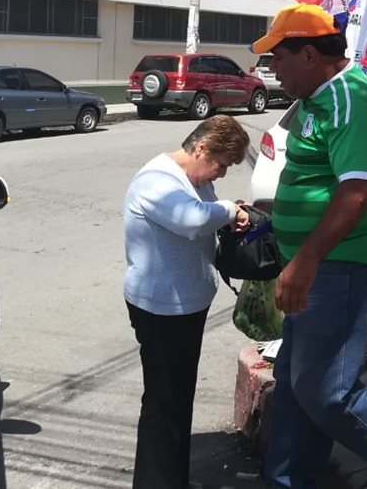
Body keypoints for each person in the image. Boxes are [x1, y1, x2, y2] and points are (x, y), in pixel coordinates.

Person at [254, 3, 367, 489]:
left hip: (345, 267)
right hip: (321, 265)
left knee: (325, 389)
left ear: (308, 54)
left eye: (278, 59)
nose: (273, 71)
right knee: (294, 383)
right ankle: (290, 479)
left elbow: (357, 191)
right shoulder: (317, 98)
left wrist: (305, 260)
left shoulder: (351, 100)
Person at [123, 116, 252, 489]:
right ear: (200, 149)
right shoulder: (156, 181)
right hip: (161, 310)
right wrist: (229, 210)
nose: (221, 175)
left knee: (179, 401)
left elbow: (206, 221)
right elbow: (192, 220)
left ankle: (172, 479)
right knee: (163, 405)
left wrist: (227, 215)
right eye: (221, 164)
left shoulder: (198, 180)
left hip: (186, 307)